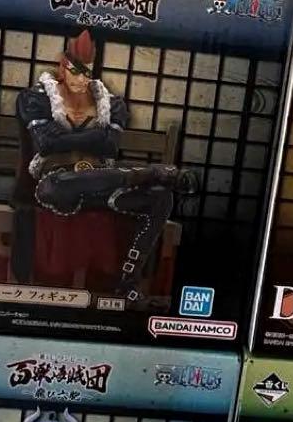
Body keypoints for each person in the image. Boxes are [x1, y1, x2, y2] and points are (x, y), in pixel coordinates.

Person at [14, 30, 189, 292]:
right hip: (59, 185)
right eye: (75, 71)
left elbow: (108, 146)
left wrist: (69, 137)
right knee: (57, 185)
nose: (81, 79)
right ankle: (152, 172)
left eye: (86, 72)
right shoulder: (36, 97)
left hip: (102, 187)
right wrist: (95, 135)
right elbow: (47, 144)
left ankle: (128, 278)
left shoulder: (111, 103)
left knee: (162, 197)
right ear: (63, 66)